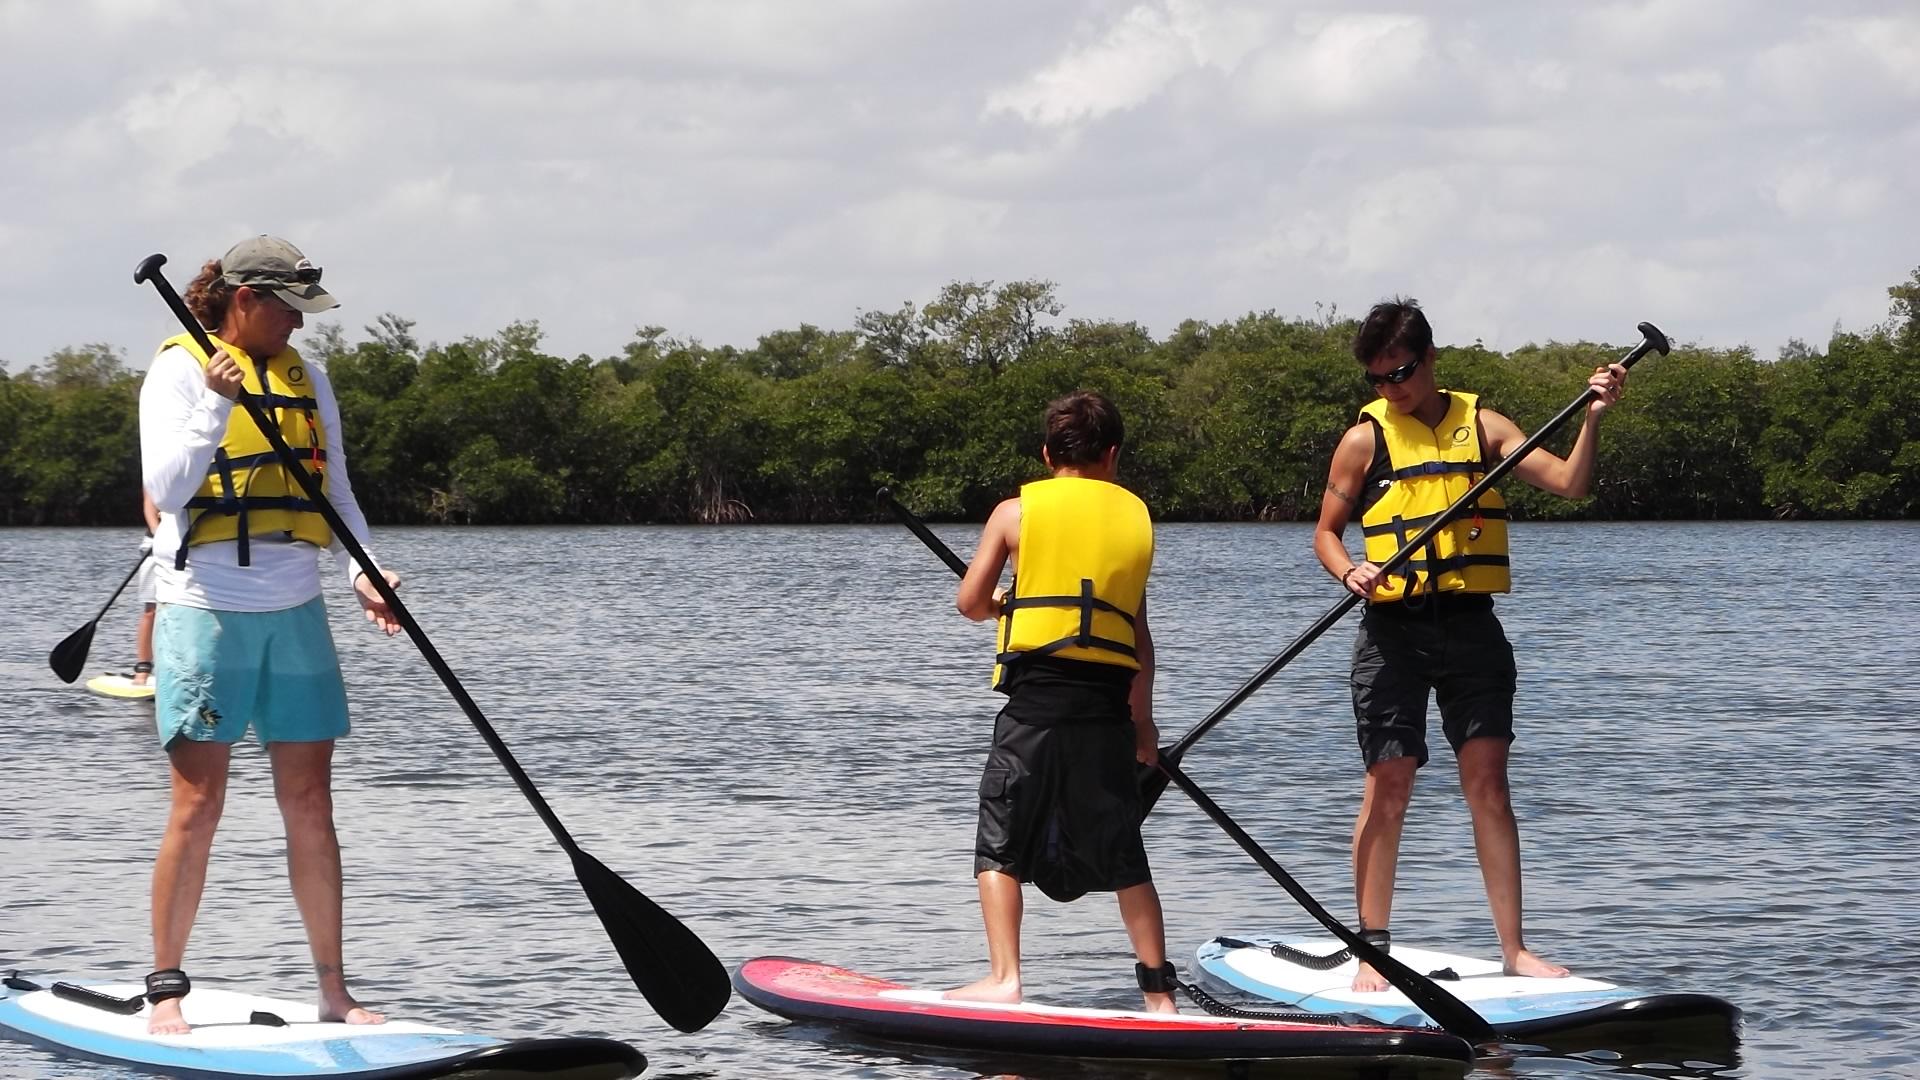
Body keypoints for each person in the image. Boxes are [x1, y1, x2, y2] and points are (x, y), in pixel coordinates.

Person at [1312, 298, 1626, 993]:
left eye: (1400, 373)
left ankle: (1514, 948)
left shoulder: (1483, 425)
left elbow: (1571, 484)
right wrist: (1350, 569)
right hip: (1392, 633)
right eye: (1378, 380)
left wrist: (1595, 416)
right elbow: (1327, 534)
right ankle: (1372, 947)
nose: (1390, 389)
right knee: (1389, 783)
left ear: (1429, 359)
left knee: (1487, 782)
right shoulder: (1364, 440)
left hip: (1469, 625)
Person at [139, 235, 402, 1035]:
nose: (298, 326)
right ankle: (167, 992)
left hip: (296, 610)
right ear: (246, 301)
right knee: (198, 805)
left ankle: (334, 990)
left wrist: (366, 570)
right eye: (288, 310)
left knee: (312, 802)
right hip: (204, 609)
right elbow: (167, 489)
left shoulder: (308, 379)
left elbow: (338, 494)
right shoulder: (178, 370)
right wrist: (218, 401)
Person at [947, 390, 1176, 1013]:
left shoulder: (1014, 514)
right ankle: (1160, 997)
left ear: (1048, 454)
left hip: (1036, 708)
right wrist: (1144, 723)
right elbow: (1138, 637)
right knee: (1124, 849)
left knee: (1000, 841)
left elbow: (971, 603)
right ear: (1114, 455)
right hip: (1107, 711)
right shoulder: (1136, 520)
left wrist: (1006, 605)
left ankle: (1005, 978)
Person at [130, 490, 160, 687]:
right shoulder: (156, 461)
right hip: (156, 544)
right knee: (152, 610)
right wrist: (160, 534)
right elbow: (149, 504)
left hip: (195, 545)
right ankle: (143, 668)